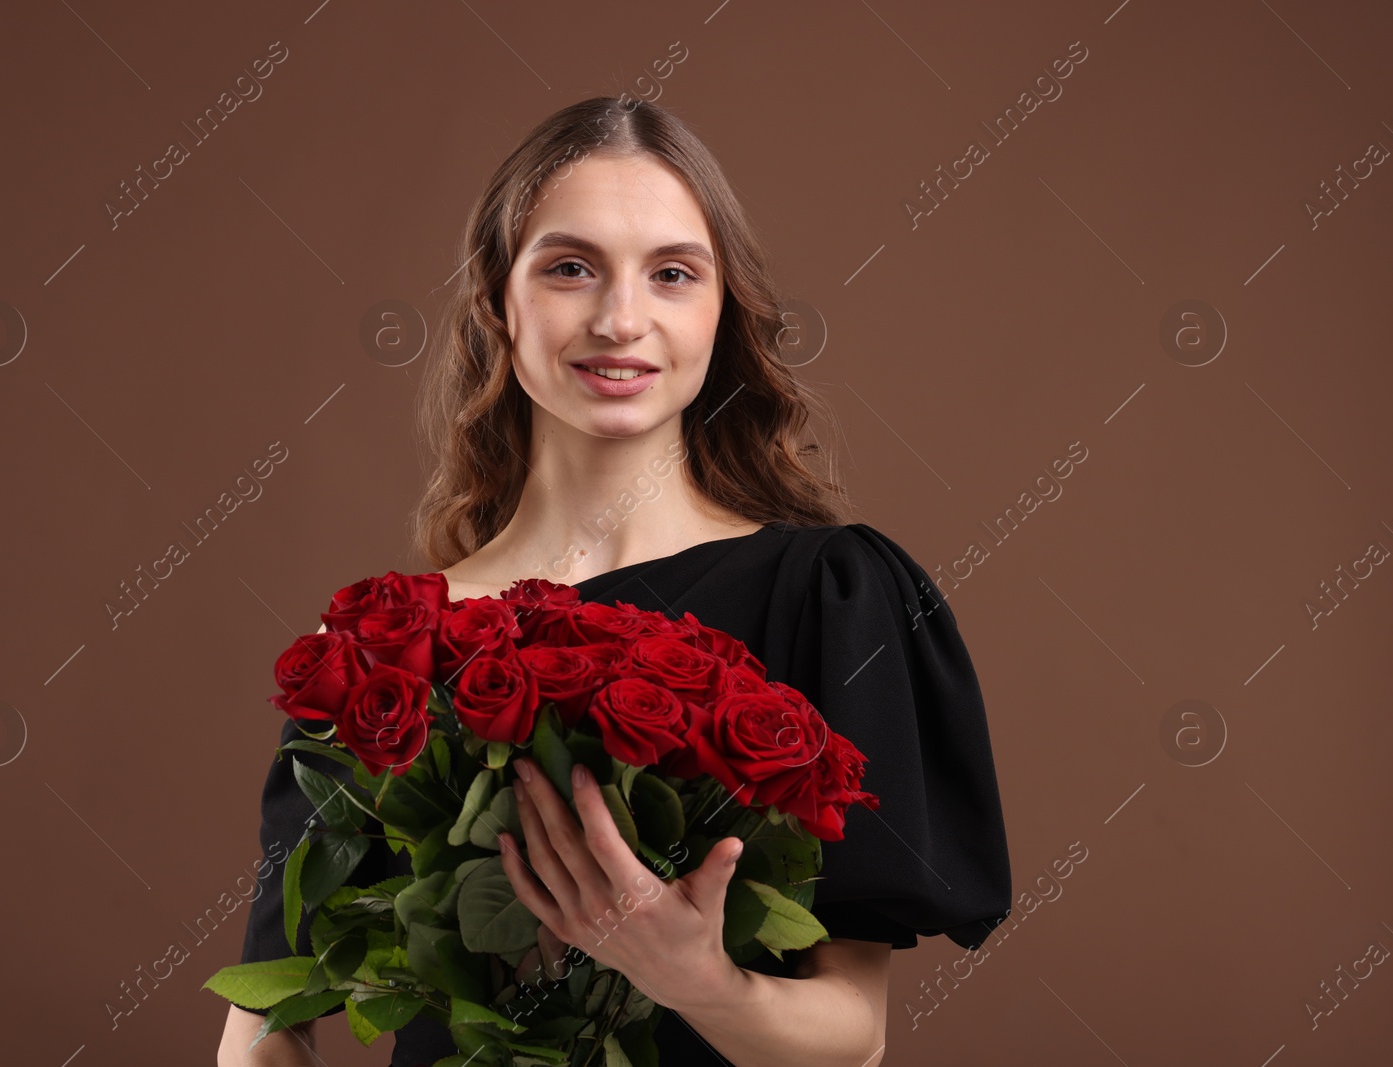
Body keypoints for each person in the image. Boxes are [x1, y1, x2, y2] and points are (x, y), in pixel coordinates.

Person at [218, 96, 1011, 1067]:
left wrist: (695, 978)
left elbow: (853, 1034)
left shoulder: (828, 595)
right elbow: (267, 1025)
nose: (619, 318)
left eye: (672, 273)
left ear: (721, 313)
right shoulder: (380, 653)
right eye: (568, 267)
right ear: (495, 300)